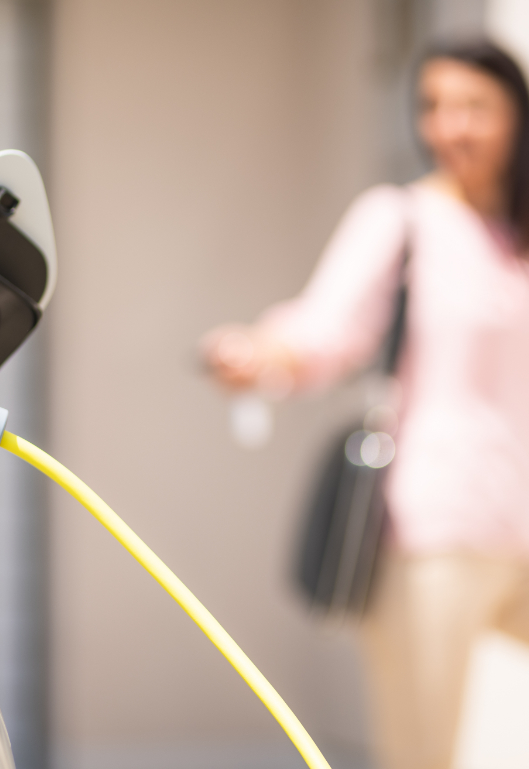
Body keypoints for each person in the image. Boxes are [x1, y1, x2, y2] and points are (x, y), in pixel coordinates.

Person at [201, 39, 529, 769]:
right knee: (423, 757)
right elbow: (327, 328)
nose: (451, 128)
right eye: (434, 107)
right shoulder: (402, 218)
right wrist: (262, 353)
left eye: (475, 107)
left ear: (517, 116)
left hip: (522, 525)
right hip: (436, 530)